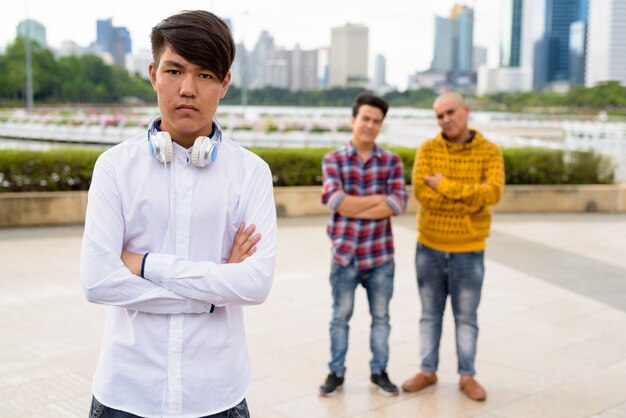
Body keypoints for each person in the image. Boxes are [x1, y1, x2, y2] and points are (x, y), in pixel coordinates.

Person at [80, 10, 276, 418]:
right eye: (174, 70)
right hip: (126, 393)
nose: (188, 89)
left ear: (224, 83)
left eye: (205, 75)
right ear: (153, 74)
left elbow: (255, 284)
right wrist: (214, 289)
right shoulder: (114, 167)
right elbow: (98, 282)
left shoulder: (251, 172)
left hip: (217, 395)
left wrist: (144, 264)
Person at [402, 92, 504, 401]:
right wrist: (467, 198)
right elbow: (423, 194)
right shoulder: (428, 149)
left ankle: (467, 375)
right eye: (439, 115)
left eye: (450, 112)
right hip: (429, 247)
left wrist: (445, 186)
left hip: (469, 250)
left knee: (466, 317)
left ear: (466, 111)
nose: (445, 119)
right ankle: (427, 370)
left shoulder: (489, 151)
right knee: (429, 315)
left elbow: (493, 194)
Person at [319, 93, 408, 397]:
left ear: (381, 125)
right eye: (365, 119)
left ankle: (379, 371)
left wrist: (354, 205)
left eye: (376, 121)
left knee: (381, 318)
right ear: (353, 120)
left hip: (380, 257)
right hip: (345, 255)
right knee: (339, 317)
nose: (370, 125)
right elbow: (336, 201)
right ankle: (336, 372)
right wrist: (376, 200)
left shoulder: (392, 161)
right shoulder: (334, 159)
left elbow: (397, 204)